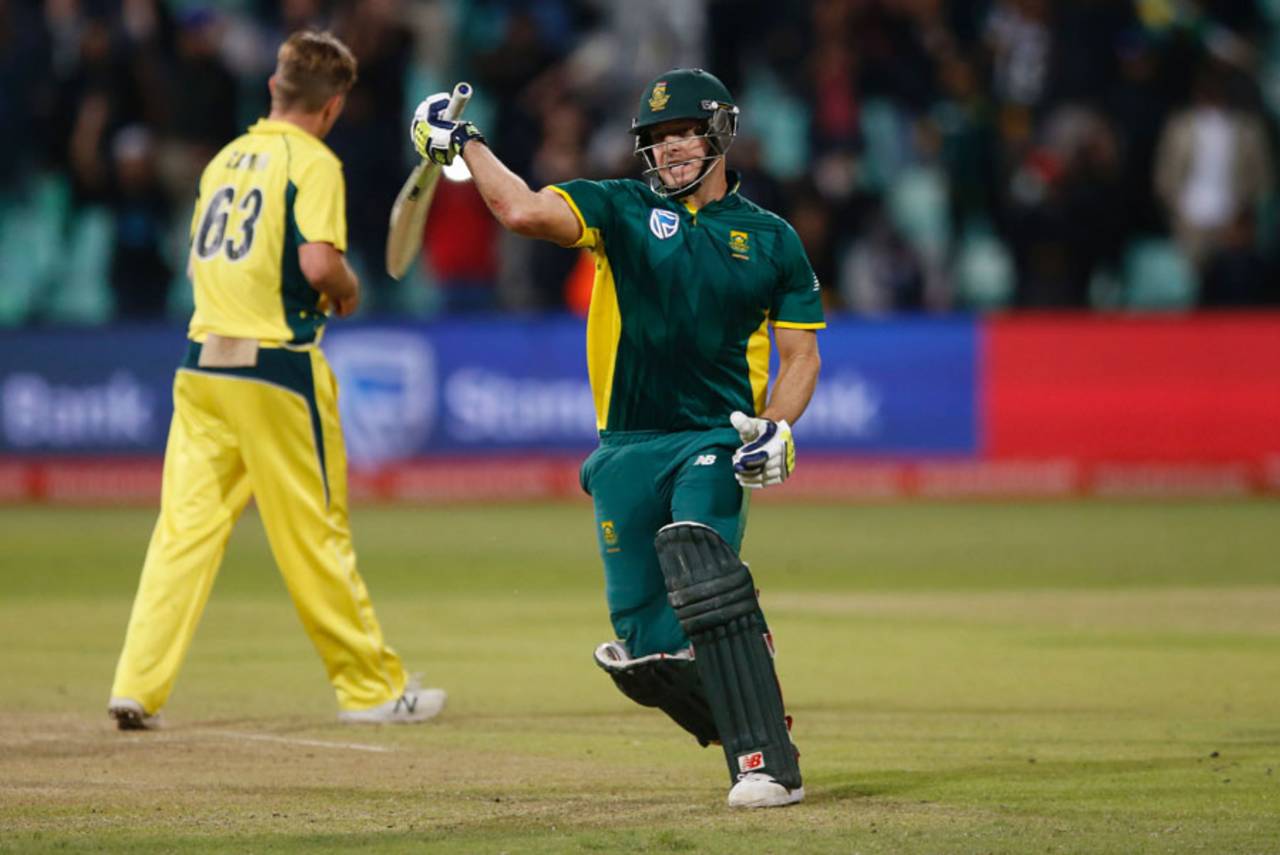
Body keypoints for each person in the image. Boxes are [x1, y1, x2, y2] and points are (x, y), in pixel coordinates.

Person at [411, 68, 823, 807]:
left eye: (684, 135)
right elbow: (523, 211)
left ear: (721, 133)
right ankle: (758, 711)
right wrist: (465, 144)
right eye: (657, 140)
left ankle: (765, 765)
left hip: (714, 435)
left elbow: (801, 355)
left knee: (700, 557)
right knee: (647, 650)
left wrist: (776, 427)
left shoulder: (772, 240)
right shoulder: (619, 207)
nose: (669, 152)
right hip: (626, 447)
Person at [107, 31, 444, 730]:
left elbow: (208, 262)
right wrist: (347, 289)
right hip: (276, 368)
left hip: (201, 365)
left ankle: (137, 683)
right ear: (336, 105)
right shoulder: (313, 161)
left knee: (183, 532)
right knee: (315, 532)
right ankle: (371, 687)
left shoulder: (225, 159)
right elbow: (320, 265)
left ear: (273, 87)